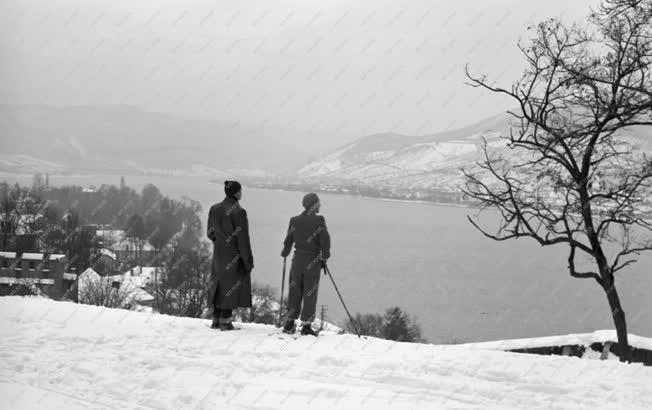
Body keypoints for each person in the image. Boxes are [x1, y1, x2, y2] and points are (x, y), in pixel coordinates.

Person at [280, 192, 331, 336]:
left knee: (294, 290)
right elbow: (325, 241)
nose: (320, 205)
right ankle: (306, 326)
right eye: (318, 202)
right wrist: (325, 257)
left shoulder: (294, 220)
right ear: (314, 205)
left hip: (297, 261)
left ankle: (289, 323)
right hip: (312, 261)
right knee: (310, 292)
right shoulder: (319, 220)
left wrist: (285, 252)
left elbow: (288, 240)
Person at [206, 180, 254, 331]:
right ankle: (225, 322)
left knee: (219, 284)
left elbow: (210, 232)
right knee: (230, 287)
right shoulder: (239, 212)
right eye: (240, 190)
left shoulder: (214, 208)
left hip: (218, 252)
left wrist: (219, 242)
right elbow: (243, 240)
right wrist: (248, 261)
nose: (241, 193)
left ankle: (216, 320)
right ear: (236, 193)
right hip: (233, 254)